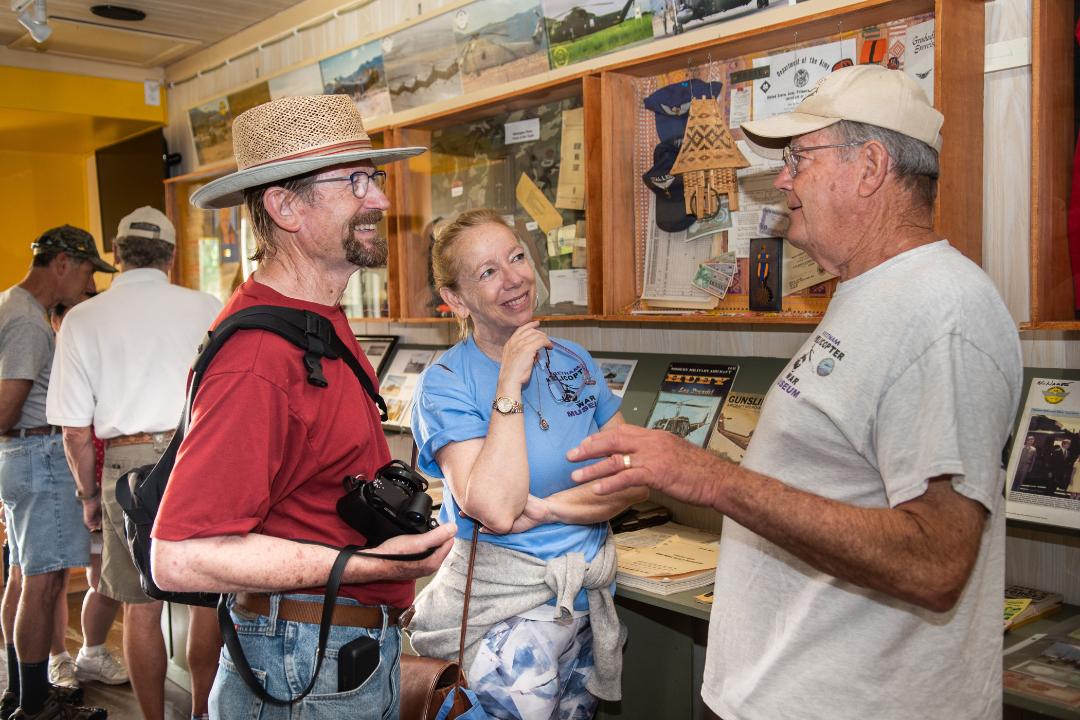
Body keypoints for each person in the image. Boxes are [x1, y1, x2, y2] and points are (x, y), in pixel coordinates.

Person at [568, 64, 1023, 720]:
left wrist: (711, 479)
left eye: (800, 158)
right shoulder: (868, 292)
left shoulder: (943, 310)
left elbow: (935, 560)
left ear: (869, 167)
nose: (784, 179)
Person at [147, 94, 456, 719]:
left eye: (374, 178)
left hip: (331, 653)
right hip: (302, 666)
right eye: (355, 181)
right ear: (285, 206)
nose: (380, 200)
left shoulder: (318, 323)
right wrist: (365, 563)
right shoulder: (261, 358)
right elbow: (178, 556)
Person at [406, 209, 646, 719]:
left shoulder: (574, 360)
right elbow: (494, 507)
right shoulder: (446, 382)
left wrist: (554, 509)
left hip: (583, 599)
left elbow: (633, 475)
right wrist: (509, 383)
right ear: (455, 299)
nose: (514, 278)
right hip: (504, 613)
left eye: (516, 257)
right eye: (487, 272)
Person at [46, 207, 222, 720]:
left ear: (117, 255)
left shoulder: (82, 318)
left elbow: (75, 431)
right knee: (204, 598)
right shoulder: (207, 305)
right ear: (170, 255)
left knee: (141, 608)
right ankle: (203, 715)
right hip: (198, 454)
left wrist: (86, 497)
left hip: (127, 465)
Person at [0, 225, 113, 720]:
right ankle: (36, 704)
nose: (88, 285)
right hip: (37, 455)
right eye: (88, 271)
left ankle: (19, 692)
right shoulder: (27, 320)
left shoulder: (12, 303)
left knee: (23, 578)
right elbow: (7, 411)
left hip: (20, 458)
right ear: (63, 262)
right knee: (43, 585)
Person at [44, 293, 128, 693]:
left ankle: (91, 653)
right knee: (55, 577)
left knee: (104, 578)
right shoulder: (54, 352)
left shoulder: (91, 350)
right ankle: (60, 657)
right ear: (56, 317)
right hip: (69, 477)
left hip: (95, 474)